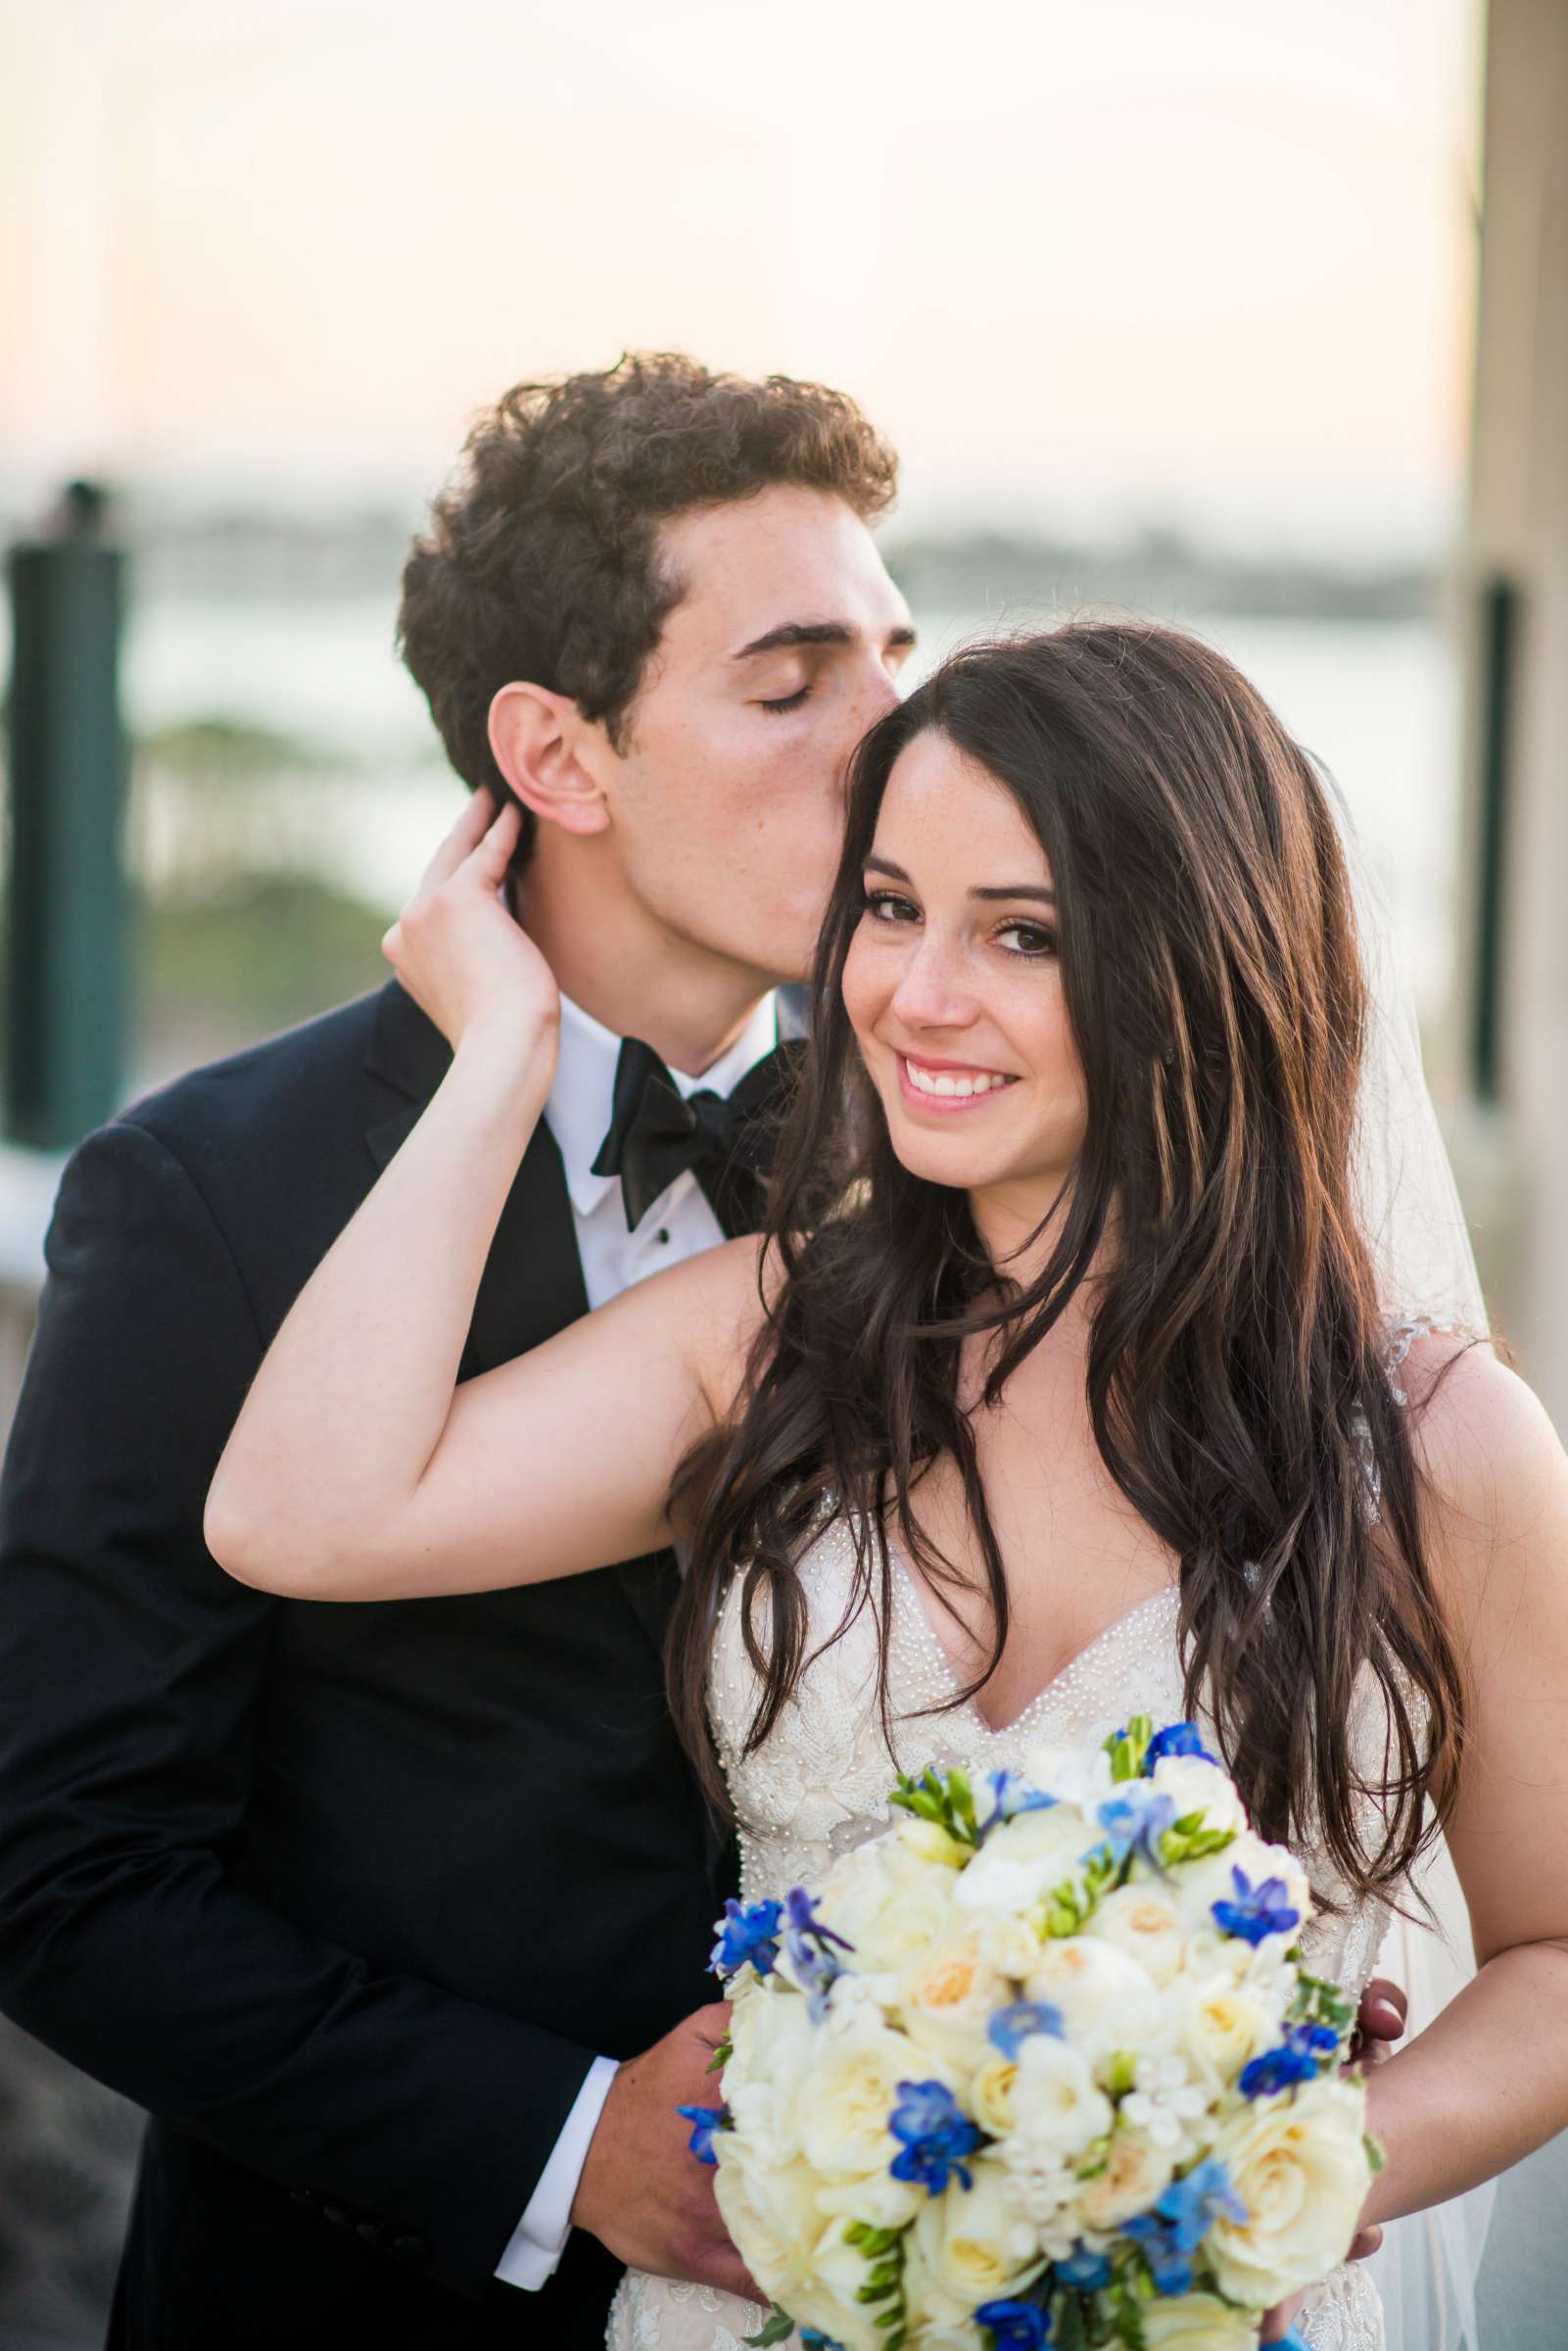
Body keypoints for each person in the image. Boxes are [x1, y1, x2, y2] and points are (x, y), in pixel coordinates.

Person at [206, 620, 1568, 2351]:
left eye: (1022, 935)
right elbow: (300, 1518)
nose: (915, 994)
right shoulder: (770, 1337)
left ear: (1192, 962)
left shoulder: (1432, 1444)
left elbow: (1554, 1960)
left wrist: (1280, 2164)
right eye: (890, 905)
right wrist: (497, 1058)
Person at [0, 354, 921, 2350]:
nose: (896, 733)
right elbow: (64, 1873)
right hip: (358, 2295)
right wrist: (565, 2141)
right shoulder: (207, 1192)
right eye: (793, 683)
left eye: (895, 656)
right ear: (560, 756)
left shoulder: (961, 1154)